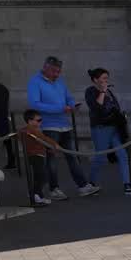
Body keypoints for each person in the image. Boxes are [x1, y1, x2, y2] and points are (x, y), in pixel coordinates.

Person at [27, 56, 91, 198]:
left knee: (72, 157)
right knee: (51, 160)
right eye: (54, 71)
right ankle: (54, 189)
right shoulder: (35, 82)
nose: (57, 74)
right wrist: (60, 108)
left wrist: (72, 104)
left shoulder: (60, 81)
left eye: (59, 71)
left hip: (65, 125)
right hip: (49, 126)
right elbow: (35, 104)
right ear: (45, 68)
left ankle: (83, 186)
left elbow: (68, 97)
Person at [84, 67, 131, 194]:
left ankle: (127, 184)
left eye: (107, 78)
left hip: (114, 127)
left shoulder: (109, 91)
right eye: (103, 78)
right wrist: (102, 91)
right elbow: (97, 108)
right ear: (95, 80)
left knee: (123, 155)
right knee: (101, 157)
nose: (106, 81)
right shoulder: (91, 91)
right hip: (101, 128)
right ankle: (91, 182)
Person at [18, 109, 57, 207]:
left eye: (41, 120)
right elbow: (45, 139)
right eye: (38, 120)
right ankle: (34, 193)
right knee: (42, 177)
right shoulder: (32, 130)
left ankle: (39, 195)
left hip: (36, 155)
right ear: (30, 121)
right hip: (36, 156)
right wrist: (55, 145)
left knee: (39, 176)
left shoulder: (26, 130)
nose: (40, 122)